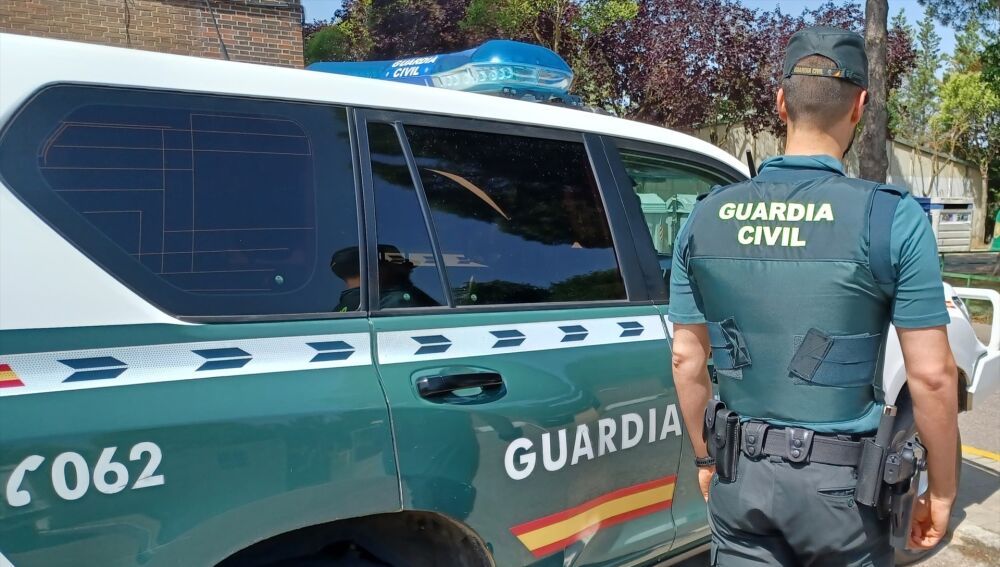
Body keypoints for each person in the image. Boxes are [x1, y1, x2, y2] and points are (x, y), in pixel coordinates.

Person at [668, 26, 959, 566]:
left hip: (741, 477)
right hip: (842, 496)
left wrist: (708, 460)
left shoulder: (704, 216)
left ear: (781, 101)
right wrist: (941, 491)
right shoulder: (891, 217)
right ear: (861, 106)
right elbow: (933, 377)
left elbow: (687, 359)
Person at [330, 245, 439, 311]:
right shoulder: (397, 301)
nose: (409, 269)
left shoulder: (339, 310)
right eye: (397, 265)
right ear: (373, 269)